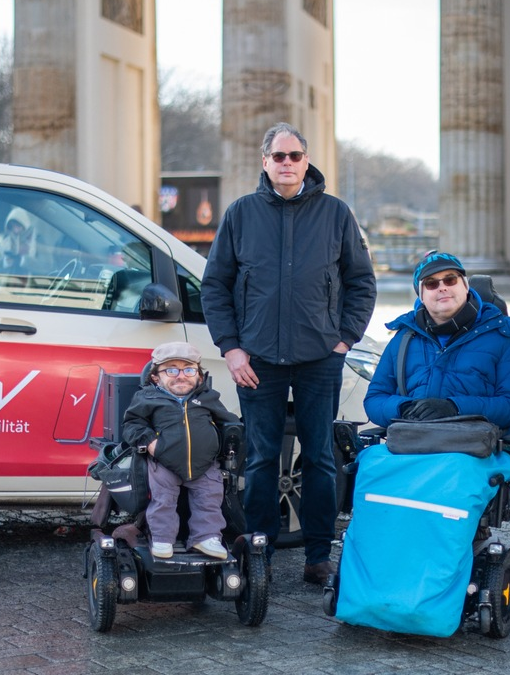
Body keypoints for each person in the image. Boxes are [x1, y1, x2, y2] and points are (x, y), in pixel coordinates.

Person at [201, 122, 377, 586]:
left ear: (306, 161)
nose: (286, 164)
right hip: (257, 359)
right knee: (260, 458)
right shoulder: (241, 214)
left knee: (319, 456)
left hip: (320, 357)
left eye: (294, 156)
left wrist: (344, 340)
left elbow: (361, 282)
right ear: (264, 162)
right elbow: (215, 286)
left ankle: (318, 555)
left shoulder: (336, 214)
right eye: (278, 156)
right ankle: (260, 550)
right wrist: (232, 349)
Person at [363, 251, 510, 433]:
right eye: (431, 283)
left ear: (465, 286)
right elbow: (375, 398)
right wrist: (404, 408)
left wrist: (455, 407)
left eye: (450, 280)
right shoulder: (403, 339)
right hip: (411, 444)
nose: (442, 287)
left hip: (475, 449)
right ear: (421, 296)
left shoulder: (502, 338)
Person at [121, 341, 241, 561]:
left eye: (188, 370)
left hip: (204, 462)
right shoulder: (148, 397)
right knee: (163, 499)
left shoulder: (207, 398)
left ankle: (205, 537)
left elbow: (228, 422)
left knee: (210, 497)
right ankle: (162, 538)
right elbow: (132, 425)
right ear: (156, 376)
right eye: (171, 370)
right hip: (164, 460)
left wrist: (226, 440)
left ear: (199, 376)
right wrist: (151, 443)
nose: (181, 376)